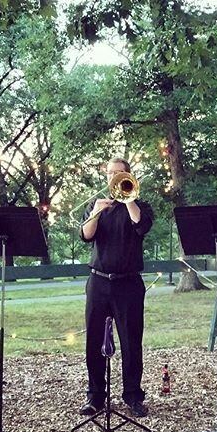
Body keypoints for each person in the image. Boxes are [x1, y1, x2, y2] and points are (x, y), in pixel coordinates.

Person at [79, 158, 153, 418]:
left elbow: (141, 225)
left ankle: (133, 395)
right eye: (110, 173)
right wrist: (95, 212)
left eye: (119, 173)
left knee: (132, 342)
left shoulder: (140, 205)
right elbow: (86, 235)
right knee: (94, 340)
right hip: (98, 281)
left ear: (129, 176)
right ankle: (95, 395)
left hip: (128, 282)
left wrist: (128, 197)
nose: (113, 177)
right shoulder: (97, 205)